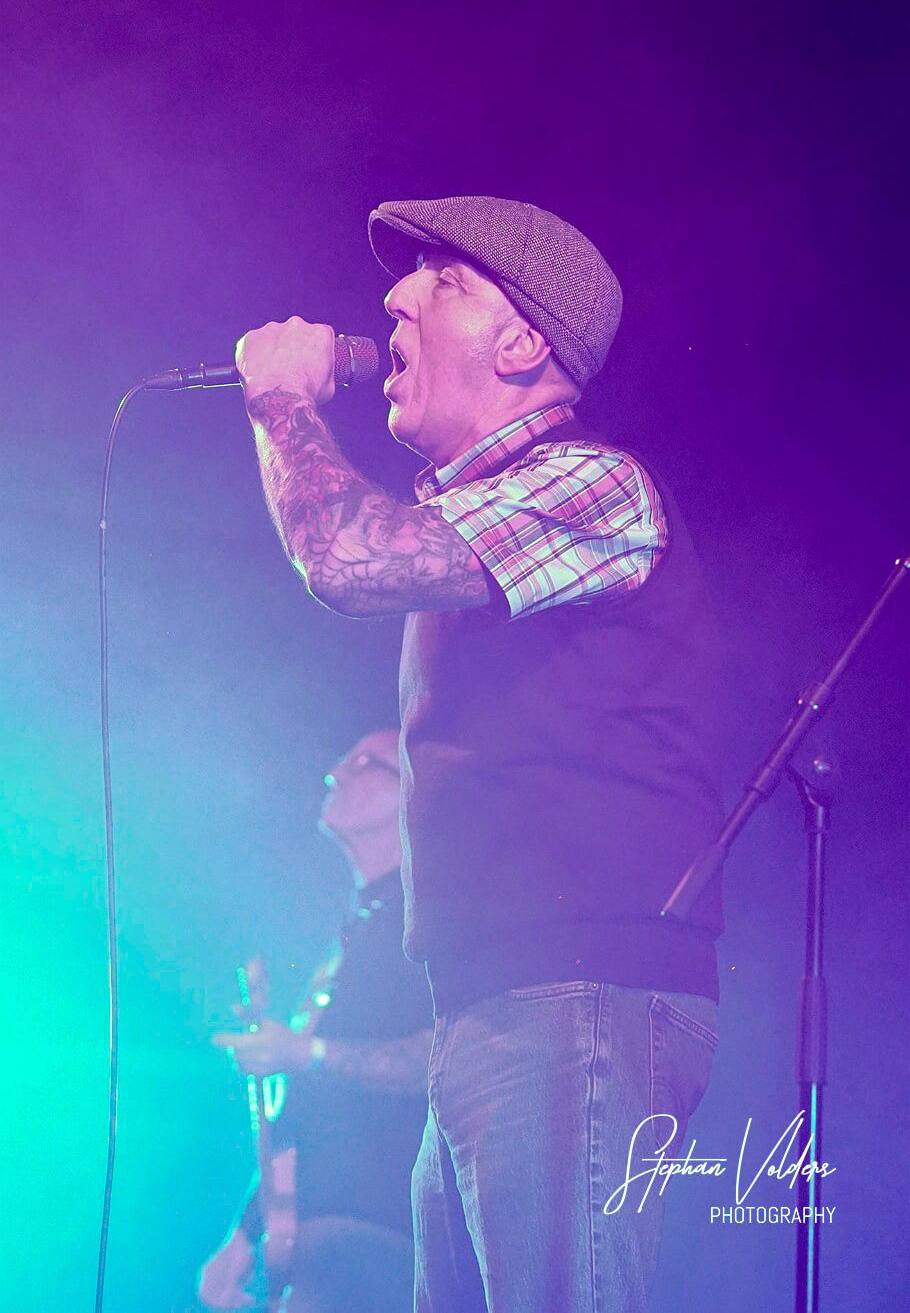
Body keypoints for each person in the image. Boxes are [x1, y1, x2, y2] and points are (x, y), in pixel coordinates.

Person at [234, 197, 724, 1311]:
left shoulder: (594, 484)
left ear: (521, 345)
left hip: (574, 995)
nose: (395, 297)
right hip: (490, 1004)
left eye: (443, 281)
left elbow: (346, 559)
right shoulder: (478, 520)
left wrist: (280, 398)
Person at [199, 728, 433, 1313]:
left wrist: (304, 1052)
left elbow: (439, 1060)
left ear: (413, 793)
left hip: (376, 1237)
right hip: (318, 1239)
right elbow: (307, 1109)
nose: (337, 770)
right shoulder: (360, 925)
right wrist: (246, 1232)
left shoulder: (422, 923)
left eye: (365, 763)